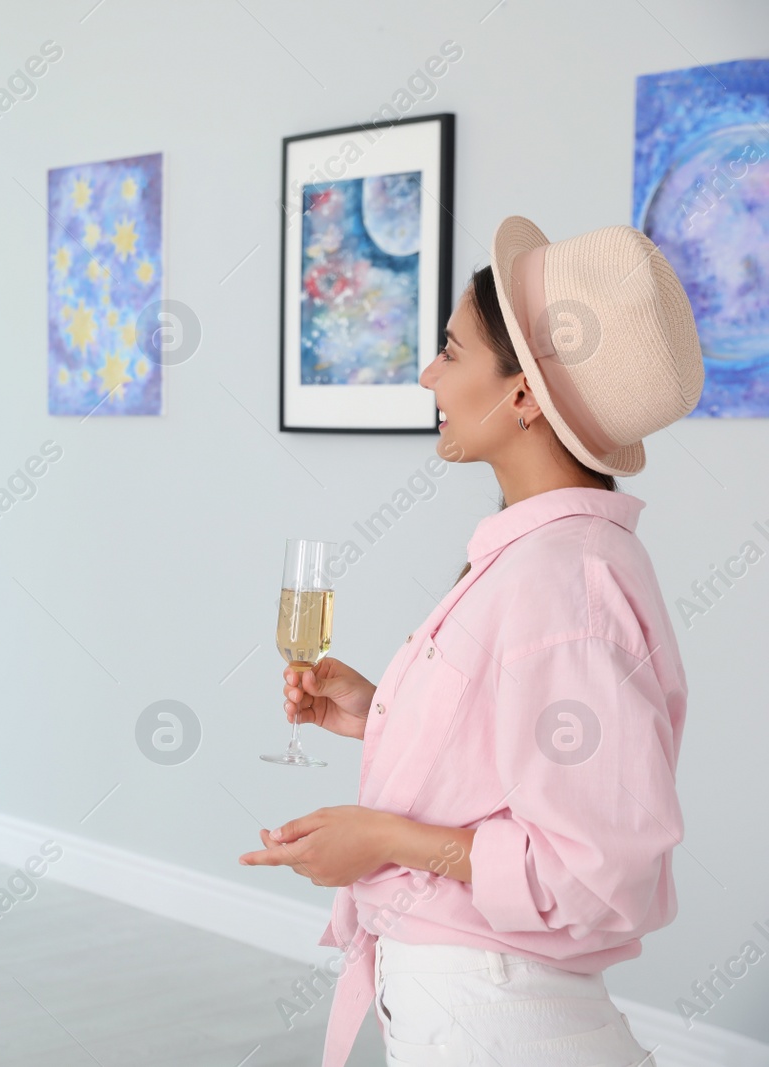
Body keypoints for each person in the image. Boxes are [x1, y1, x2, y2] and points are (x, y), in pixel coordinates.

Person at [240, 218, 702, 1066]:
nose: (428, 375)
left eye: (450, 352)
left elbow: (598, 872)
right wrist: (379, 711)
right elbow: (522, 759)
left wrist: (383, 838)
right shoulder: (547, 559)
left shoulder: (565, 583)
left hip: (495, 1022)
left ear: (523, 395)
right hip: (475, 1006)